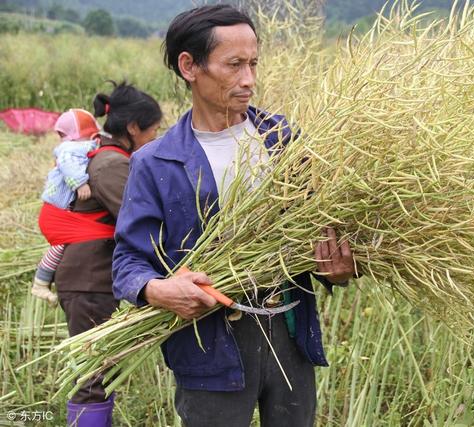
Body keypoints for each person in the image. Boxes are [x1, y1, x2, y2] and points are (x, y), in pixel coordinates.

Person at [112, 5, 355, 427]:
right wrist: (158, 290)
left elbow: (319, 228)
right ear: (190, 66)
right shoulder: (155, 162)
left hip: (289, 335)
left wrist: (337, 269)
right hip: (209, 346)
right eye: (234, 65)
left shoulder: (283, 141)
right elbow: (127, 262)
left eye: (254, 63)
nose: (249, 80)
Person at [54, 82, 162, 427]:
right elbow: (138, 222)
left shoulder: (108, 156)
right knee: (93, 376)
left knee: (100, 369)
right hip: (89, 282)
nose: (155, 137)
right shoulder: (112, 165)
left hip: (92, 280)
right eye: (153, 129)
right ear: (132, 128)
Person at [32, 109, 101, 306]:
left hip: (56, 211)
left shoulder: (71, 146)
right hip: (55, 212)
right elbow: (68, 164)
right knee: (61, 244)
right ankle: (40, 282)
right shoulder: (71, 148)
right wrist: (80, 183)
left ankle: (44, 281)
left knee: (60, 247)